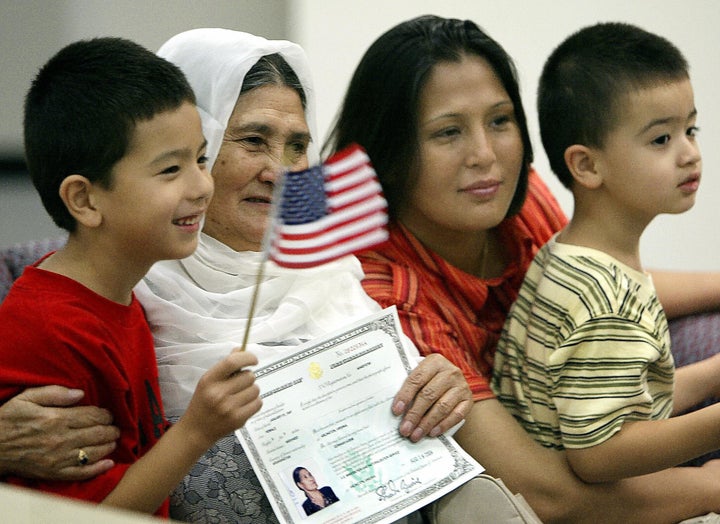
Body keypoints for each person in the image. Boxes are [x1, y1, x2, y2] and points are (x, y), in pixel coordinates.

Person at [324, 14, 720, 523]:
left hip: (573, 410)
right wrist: (708, 488)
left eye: (500, 120)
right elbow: (543, 491)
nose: (486, 156)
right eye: (448, 132)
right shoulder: (381, 294)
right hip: (532, 471)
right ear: (391, 154)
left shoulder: (512, 192)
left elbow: (599, 294)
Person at [130, 28, 471, 523]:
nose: (280, 171)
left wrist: (440, 395)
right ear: (186, 146)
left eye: (296, 146)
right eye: (252, 140)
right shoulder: (126, 294)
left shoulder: (331, 279)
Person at [0, 37, 262, 516]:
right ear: (83, 199)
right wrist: (198, 430)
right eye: (169, 169)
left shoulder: (121, 296)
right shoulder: (50, 328)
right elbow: (95, 516)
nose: (203, 185)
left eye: (201, 158)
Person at [491, 20, 720, 484]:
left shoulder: (570, 254)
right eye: (661, 139)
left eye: (690, 130)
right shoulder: (604, 300)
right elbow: (600, 455)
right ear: (587, 165)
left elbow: (636, 398)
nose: (690, 153)